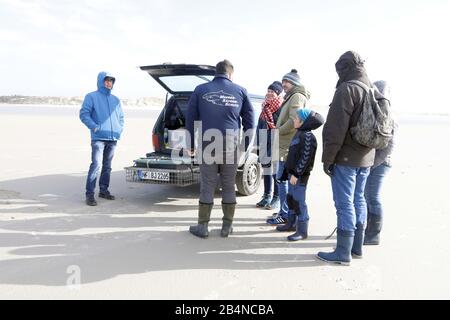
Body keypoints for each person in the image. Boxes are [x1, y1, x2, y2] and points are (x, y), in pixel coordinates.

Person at [317, 51, 375, 265]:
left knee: (344, 204)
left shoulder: (347, 89)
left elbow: (335, 129)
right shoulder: (371, 88)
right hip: (367, 157)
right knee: (359, 199)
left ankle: (342, 252)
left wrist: (328, 159)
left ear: (345, 68)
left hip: (346, 158)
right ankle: (356, 248)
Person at [186, 59, 255, 238]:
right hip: (231, 145)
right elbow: (250, 122)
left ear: (215, 73)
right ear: (230, 74)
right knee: (228, 185)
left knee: (207, 185)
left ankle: (203, 227)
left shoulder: (201, 90)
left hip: (208, 144)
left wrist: (190, 144)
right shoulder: (241, 91)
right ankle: (226, 227)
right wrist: (245, 146)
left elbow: (190, 118)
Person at [266, 69, 311, 234]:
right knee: (282, 181)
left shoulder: (297, 96)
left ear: (295, 83)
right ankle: (285, 213)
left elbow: (294, 120)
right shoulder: (292, 96)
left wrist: (278, 131)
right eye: (283, 81)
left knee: (282, 181)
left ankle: (284, 215)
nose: (284, 84)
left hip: (287, 146)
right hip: (286, 145)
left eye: (287, 82)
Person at [80, 71, 124, 206]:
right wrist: (94, 127)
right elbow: (84, 114)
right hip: (98, 138)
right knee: (96, 165)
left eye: (111, 81)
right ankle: (90, 195)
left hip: (112, 138)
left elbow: (121, 118)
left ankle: (104, 190)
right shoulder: (91, 96)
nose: (109, 83)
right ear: (101, 81)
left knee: (107, 166)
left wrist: (119, 129)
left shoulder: (116, 100)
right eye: (106, 80)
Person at [279, 108, 324, 241]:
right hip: (292, 175)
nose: (294, 119)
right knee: (291, 198)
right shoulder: (299, 133)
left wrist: (296, 174)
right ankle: (291, 224)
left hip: (299, 177)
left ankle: (302, 230)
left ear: (304, 122)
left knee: (299, 201)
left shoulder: (308, 136)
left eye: (296, 118)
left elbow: (305, 158)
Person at [364, 80, 395, 245]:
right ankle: (368, 230)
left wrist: (372, 164)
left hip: (380, 163)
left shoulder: (388, 114)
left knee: (373, 197)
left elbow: (389, 147)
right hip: (371, 162)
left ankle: (373, 235)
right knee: (366, 196)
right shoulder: (375, 111)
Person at [256, 81, 283, 210]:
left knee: (276, 172)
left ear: (278, 93)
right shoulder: (264, 107)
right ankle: (266, 196)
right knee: (266, 170)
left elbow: (281, 126)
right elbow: (259, 126)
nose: (269, 93)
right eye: (268, 91)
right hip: (264, 142)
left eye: (272, 91)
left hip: (275, 143)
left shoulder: (281, 107)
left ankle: (276, 198)